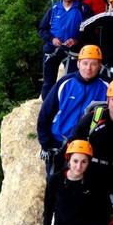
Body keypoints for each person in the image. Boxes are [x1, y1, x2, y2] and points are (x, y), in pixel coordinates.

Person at [37, 45, 107, 176]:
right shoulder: (65, 83)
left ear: (99, 66)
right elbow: (45, 113)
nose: (88, 68)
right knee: (56, 183)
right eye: (85, 63)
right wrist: (45, 144)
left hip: (87, 148)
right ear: (78, 64)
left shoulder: (106, 88)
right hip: (59, 144)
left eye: (93, 64)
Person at [38, 0, 93, 100]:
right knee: (48, 82)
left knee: (72, 80)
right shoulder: (53, 10)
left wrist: (77, 40)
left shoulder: (83, 9)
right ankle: (47, 105)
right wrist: (52, 39)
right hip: (52, 50)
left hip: (72, 50)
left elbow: (90, 31)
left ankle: (69, 103)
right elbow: (42, 29)